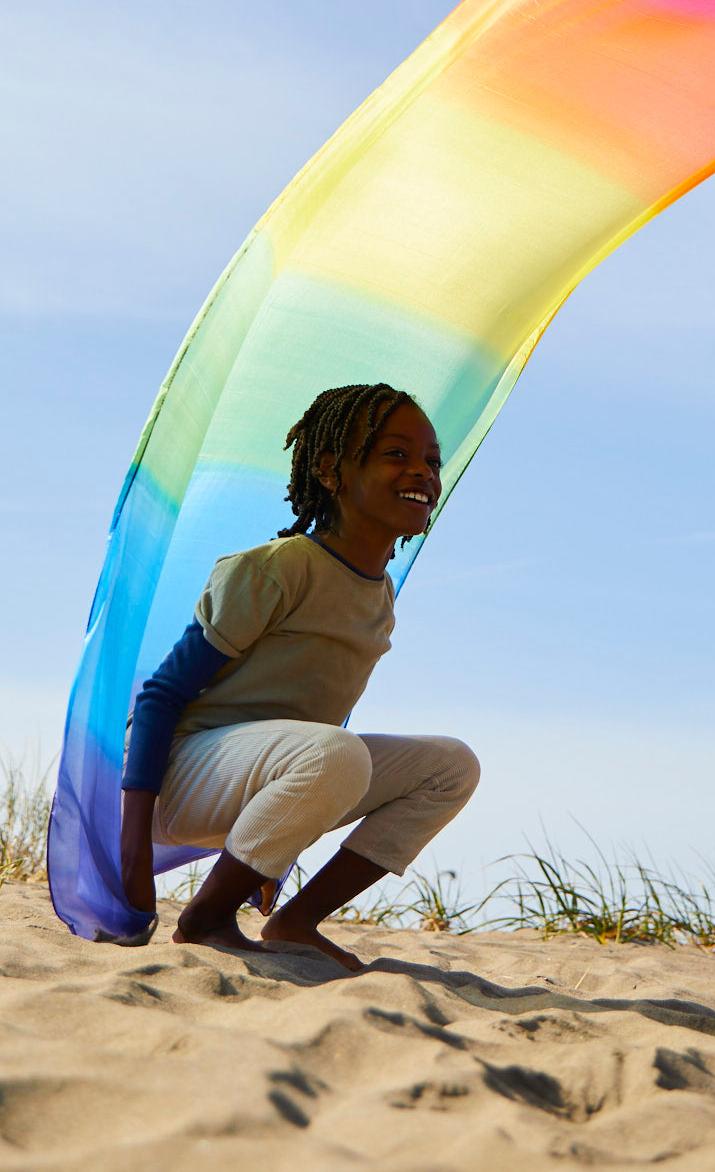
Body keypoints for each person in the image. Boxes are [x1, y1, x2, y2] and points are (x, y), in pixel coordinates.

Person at [119, 382, 480, 972]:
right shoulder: (277, 569)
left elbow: (318, 721)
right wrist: (133, 851)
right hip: (179, 774)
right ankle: (205, 918)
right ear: (332, 471)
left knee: (452, 765)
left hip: (281, 770)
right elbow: (160, 698)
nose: (423, 471)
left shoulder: (380, 594)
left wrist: (277, 846)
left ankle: (295, 920)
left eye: (432, 461)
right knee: (336, 753)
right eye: (396, 454)